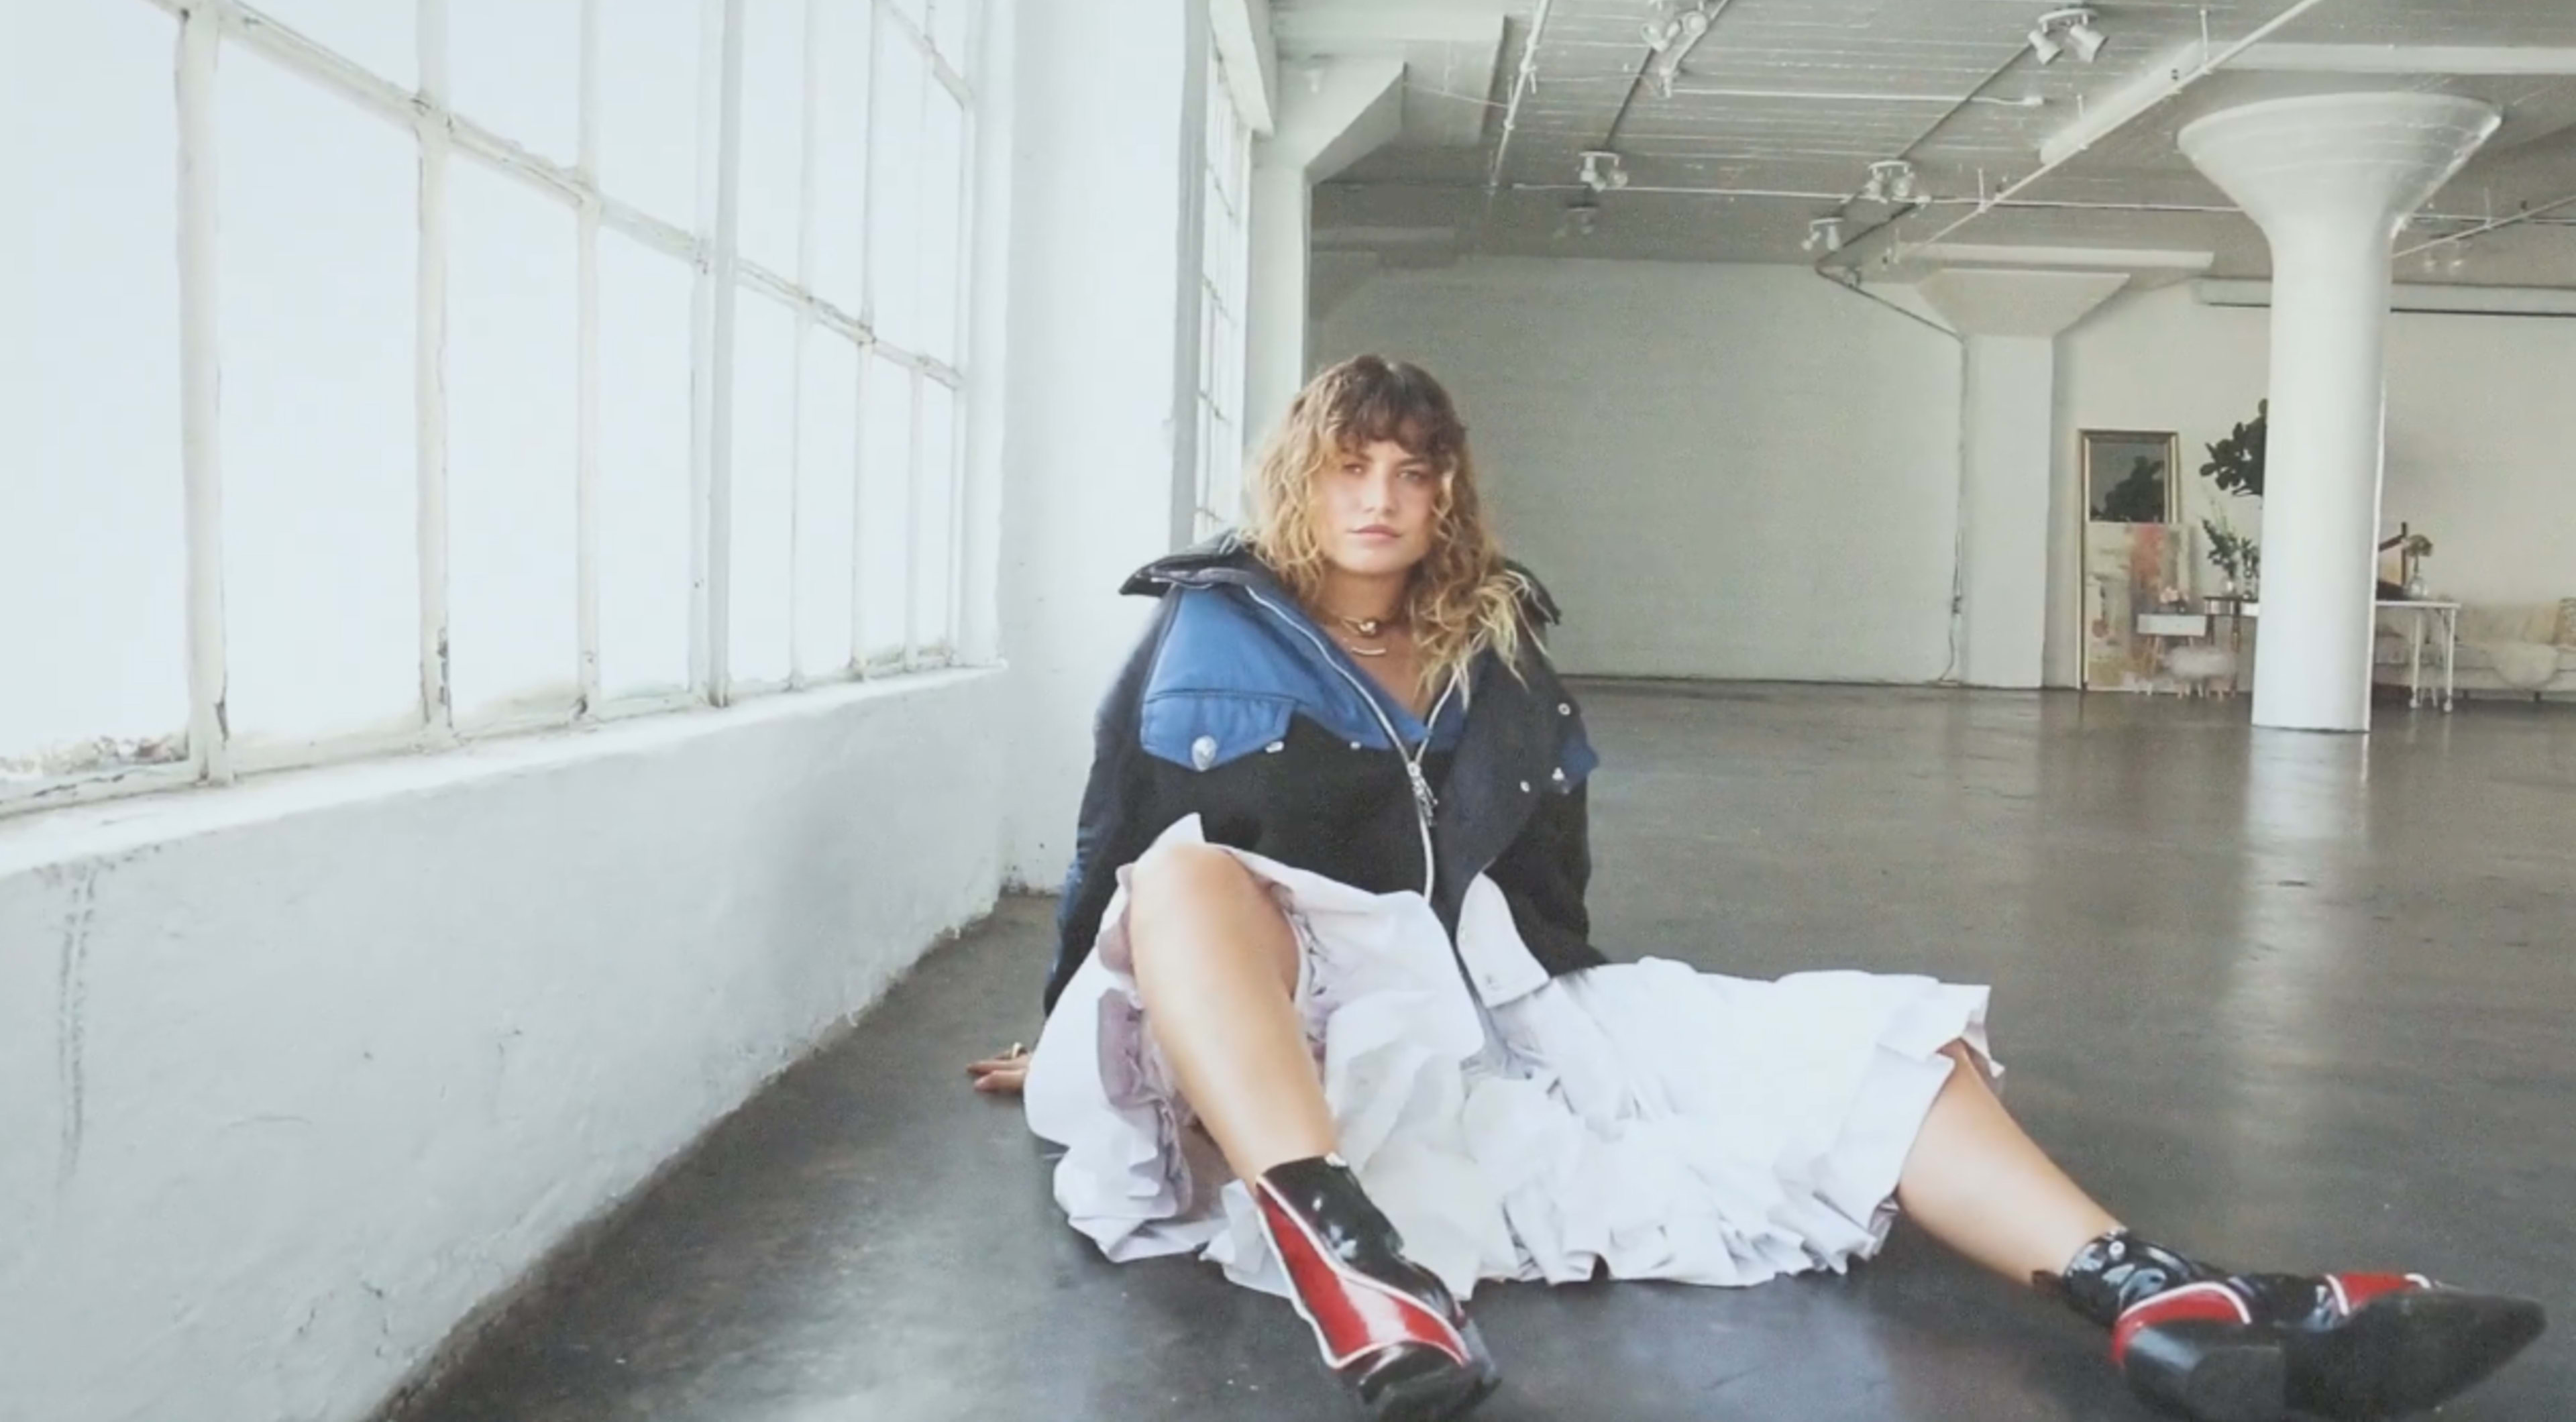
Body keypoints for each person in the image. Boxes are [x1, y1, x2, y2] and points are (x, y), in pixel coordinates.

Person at [965, 356, 2544, 1422]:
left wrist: (1608, 1023)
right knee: (1184, 884)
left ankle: (2157, 1297)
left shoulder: (1494, 638)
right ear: (1300, 481)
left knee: (1863, 1043)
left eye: (1416, 472)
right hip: (1282, 1023)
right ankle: (1353, 1269)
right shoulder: (1202, 636)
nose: (1382, 496)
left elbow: (1547, 868)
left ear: (1449, 497)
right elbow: (1116, 849)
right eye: (1354, 467)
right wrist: (1066, 1032)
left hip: (1477, 992)